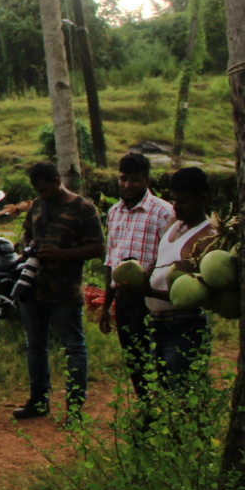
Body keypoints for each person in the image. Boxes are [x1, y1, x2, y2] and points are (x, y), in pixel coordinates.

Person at [13, 161, 106, 423]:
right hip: (34, 288)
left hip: (65, 292)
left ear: (57, 182)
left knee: (73, 347)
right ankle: (38, 401)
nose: (41, 194)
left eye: (45, 189)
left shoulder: (83, 209)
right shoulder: (37, 205)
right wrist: (27, 247)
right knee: (35, 346)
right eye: (36, 190)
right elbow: (26, 233)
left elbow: (99, 248)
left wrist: (62, 254)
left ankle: (75, 408)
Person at [129, 167, 217, 392]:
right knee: (163, 393)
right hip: (157, 322)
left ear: (202, 200)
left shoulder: (208, 238)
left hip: (184, 325)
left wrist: (146, 292)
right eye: (174, 200)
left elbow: (194, 294)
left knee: (182, 394)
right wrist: (142, 275)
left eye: (183, 202)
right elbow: (158, 259)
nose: (176, 207)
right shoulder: (173, 223)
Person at [99, 152, 174, 401]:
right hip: (123, 299)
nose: (127, 185)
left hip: (150, 299)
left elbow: (169, 256)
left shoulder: (163, 212)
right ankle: (145, 404)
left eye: (135, 180)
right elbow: (111, 260)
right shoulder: (114, 212)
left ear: (147, 181)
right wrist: (106, 305)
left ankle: (160, 408)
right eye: (123, 179)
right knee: (133, 356)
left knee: (154, 356)